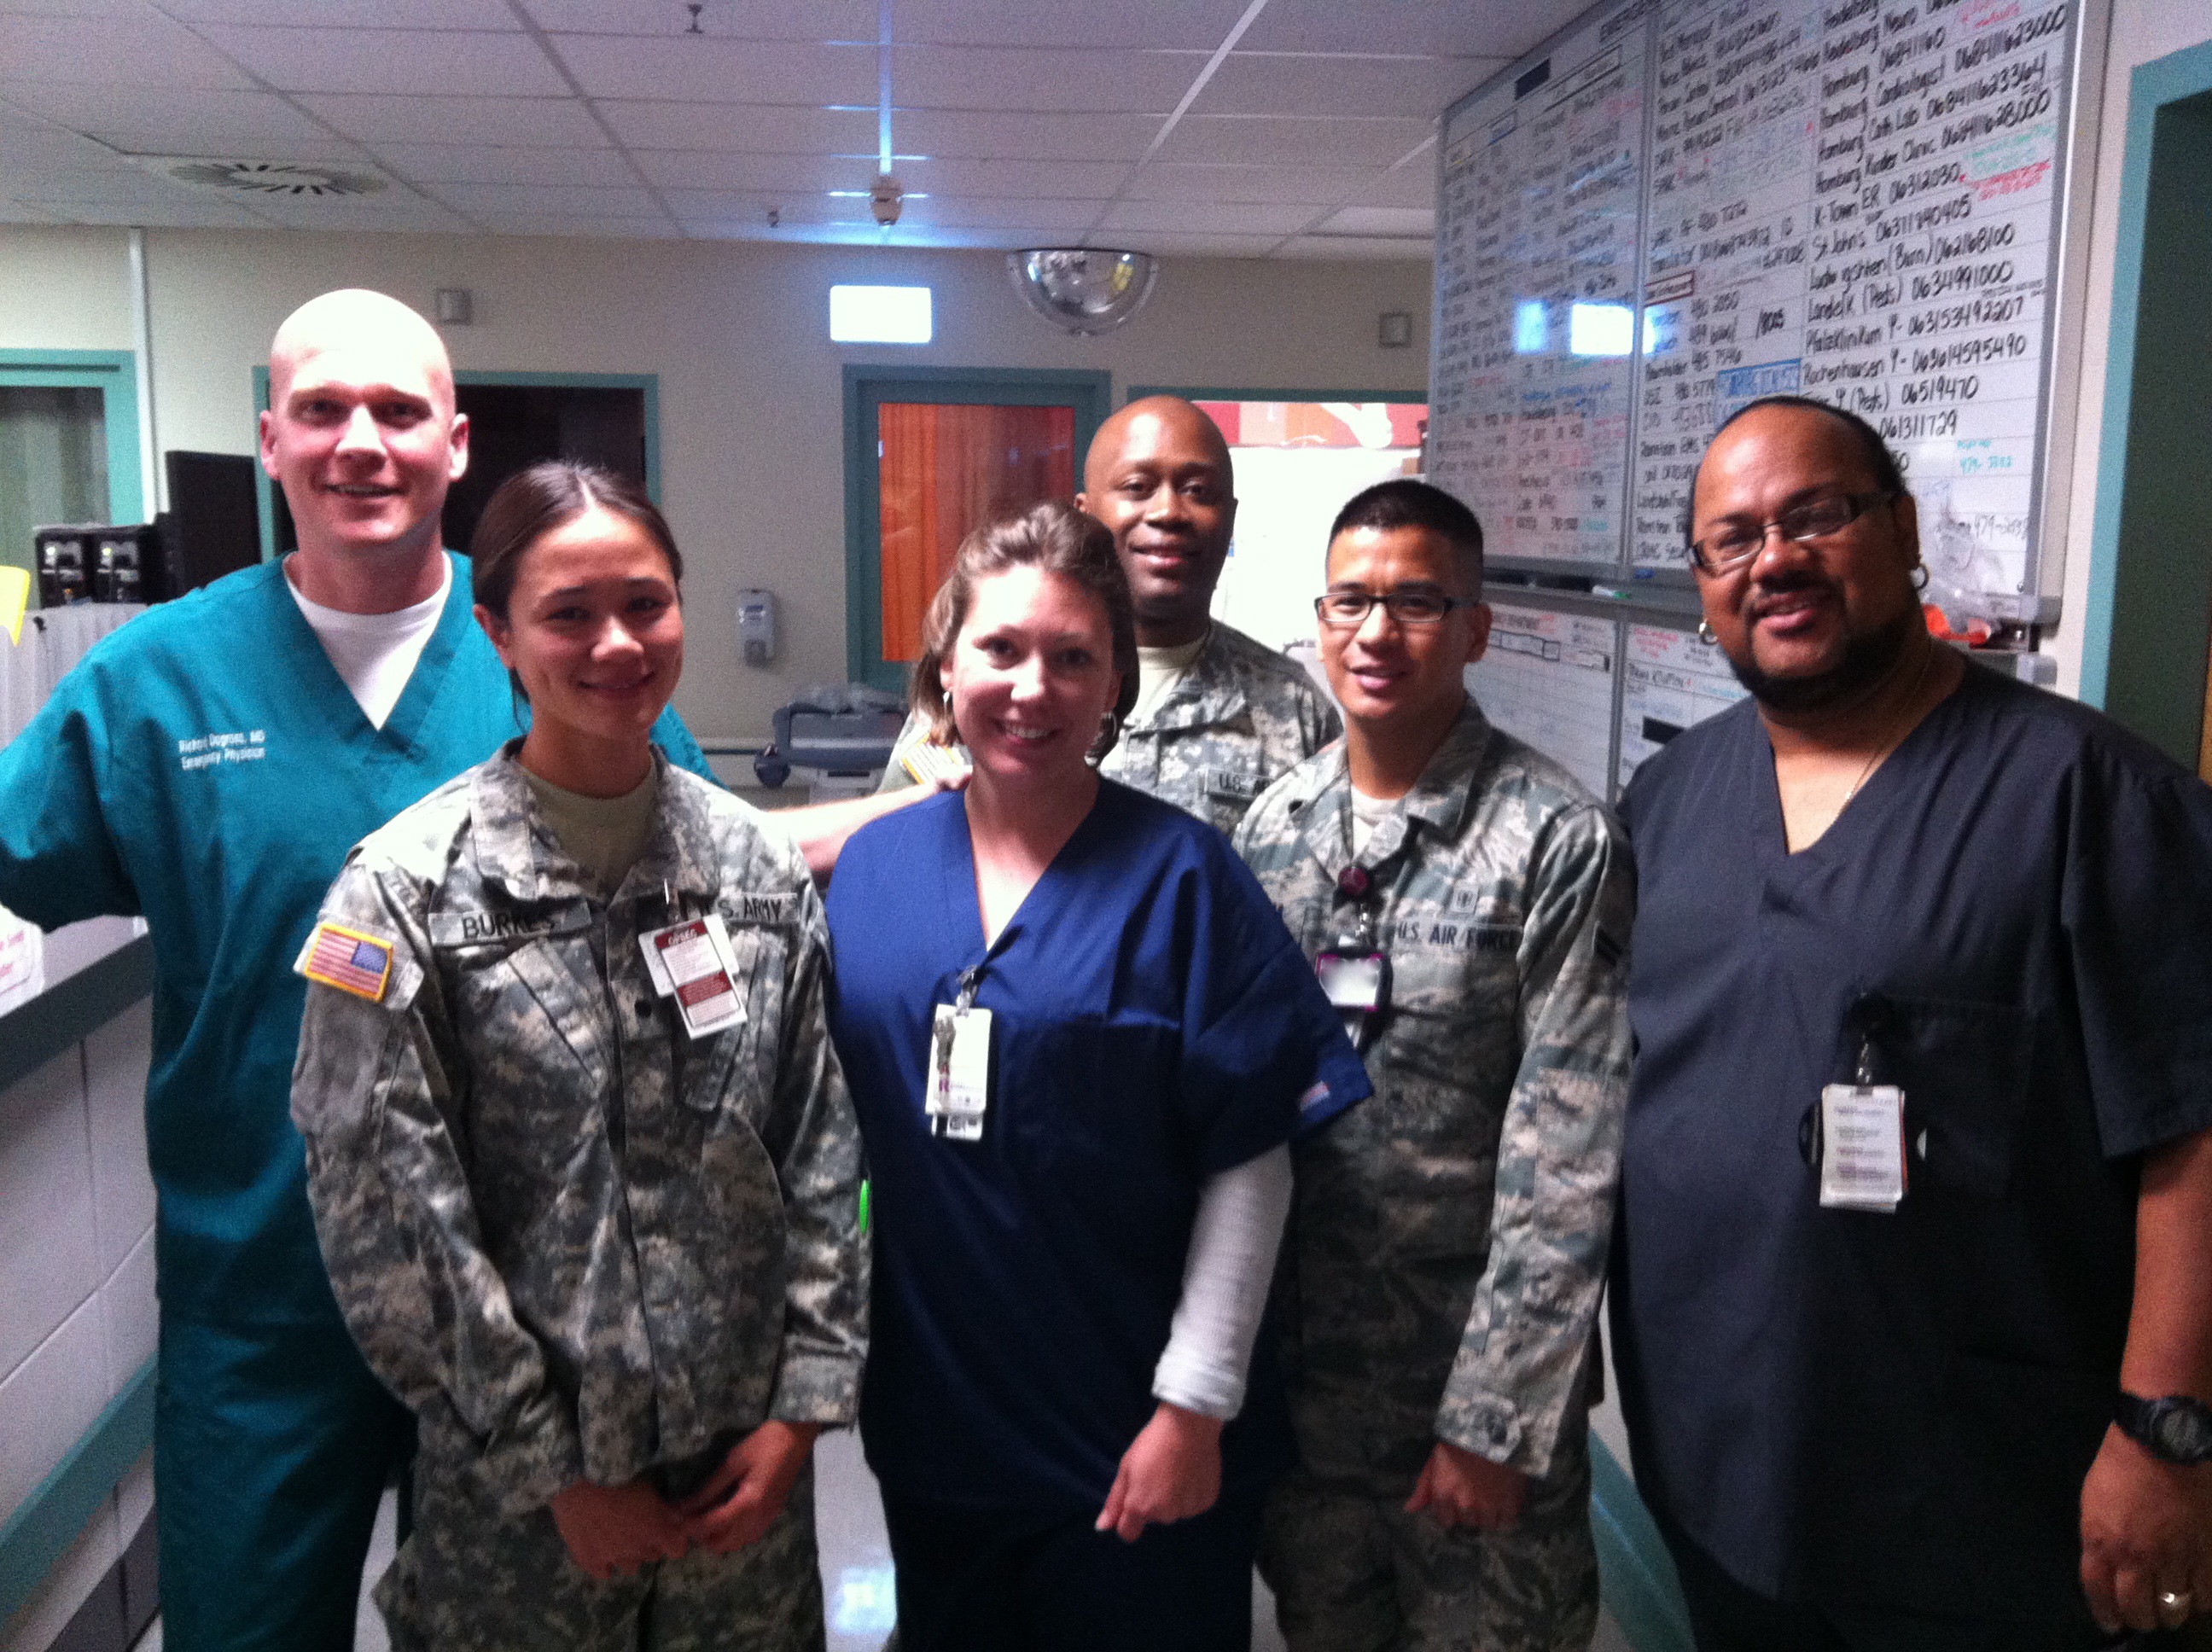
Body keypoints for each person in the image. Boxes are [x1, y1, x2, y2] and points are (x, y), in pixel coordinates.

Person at [0, 290, 713, 1650]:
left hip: (525, 1303)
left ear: (455, 446)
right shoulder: (158, 684)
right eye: (323, 411)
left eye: (396, 413)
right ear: (270, 442)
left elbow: (708, 873)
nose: (360, 444)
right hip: (266, 1298)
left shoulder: (552, 655)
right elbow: (17, 846)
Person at [1610, 393, 2212, 1649]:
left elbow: (2194, 1133)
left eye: (1815, 516)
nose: (1774, 559)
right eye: (1732, 539)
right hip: (1714, 1448)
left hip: (1973, 1488)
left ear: (1902, 528)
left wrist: (2167, 1433)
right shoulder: (1669, 801)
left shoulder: (2094, 799)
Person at [291, 462, 864, 1649]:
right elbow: (388, 1219)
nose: (617, 644)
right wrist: (550, 1467)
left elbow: (823, 1155)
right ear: (496, 631)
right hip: (523, 1519)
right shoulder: (404, 892)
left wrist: (802, 1414)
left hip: (740, 1494)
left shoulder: (753, 872)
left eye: (647, 604)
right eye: (568, 614)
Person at [824, 501, 1371, 1651]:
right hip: (940, 1423)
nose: (1033, 688)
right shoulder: (870, 873)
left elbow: (1253, 1152)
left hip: (1132, 1427)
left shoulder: (1184, 875)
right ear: (944, 671)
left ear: (1117, 680)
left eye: (1073, 657)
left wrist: (1196, 1403)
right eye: (1002, 650)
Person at [1235, 479, 1633, 1652]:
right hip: (1310, 1407)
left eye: (1416, 602)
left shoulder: (1557, 840)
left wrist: (1496, 1421)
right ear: (1317, 619)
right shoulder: (1272, 832)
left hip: (1469, 1402)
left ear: (1475, 628)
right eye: (1351, 601)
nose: (1376, 633)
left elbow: (1569, 1152)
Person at [870, 395, 1340, 836]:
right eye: (1138, 487)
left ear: (1230, 518)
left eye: (1198, 490)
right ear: (1087, 512)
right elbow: (890, 851)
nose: (1169, 511)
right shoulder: (983, 688)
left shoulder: (1293, 707)